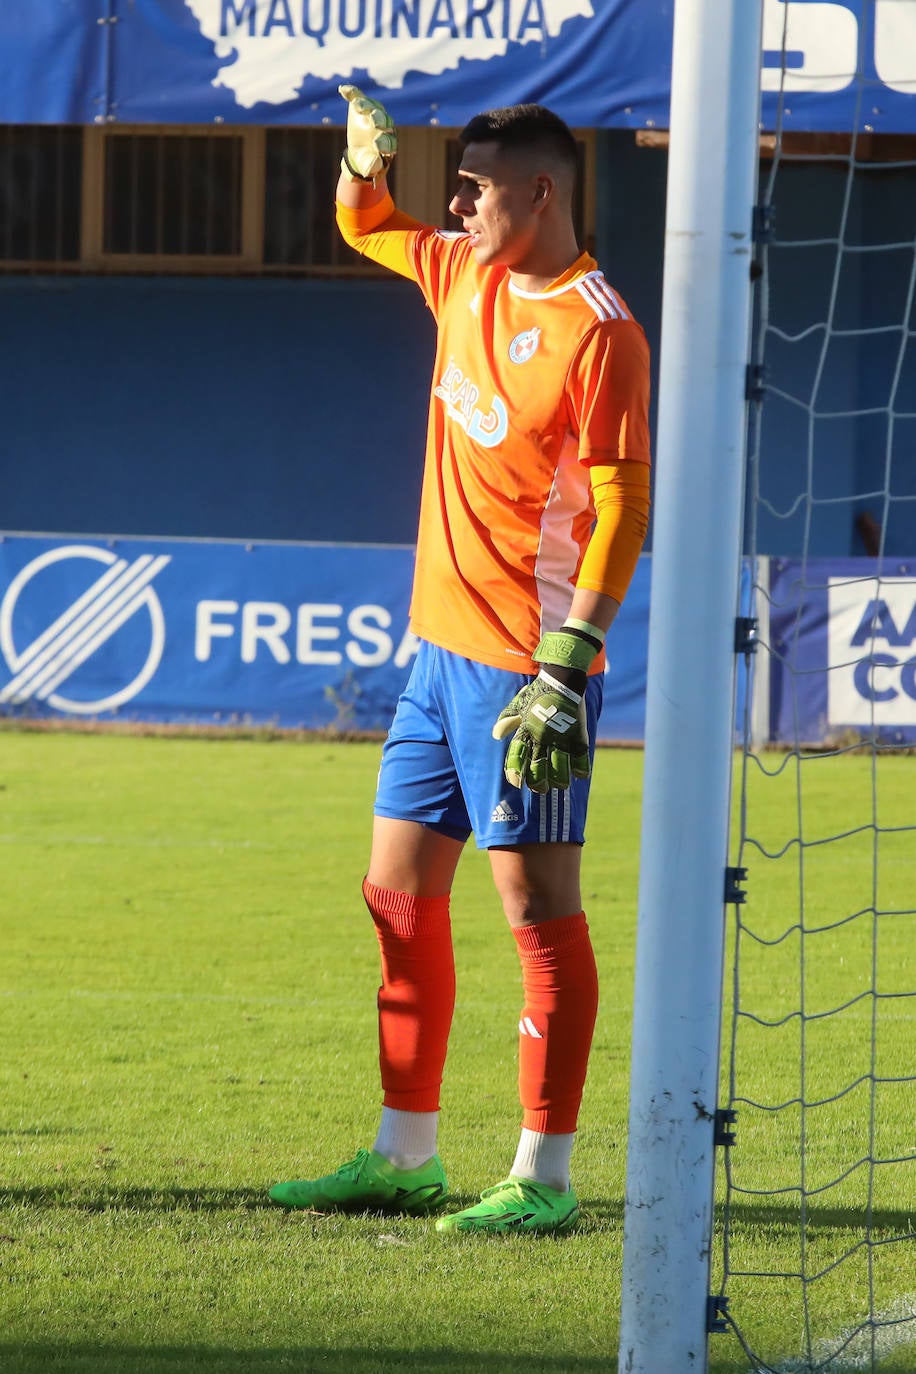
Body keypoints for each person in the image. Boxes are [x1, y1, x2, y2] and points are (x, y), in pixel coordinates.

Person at [269, 86, 651, 1234]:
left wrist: (565, 660)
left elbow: (623, 508)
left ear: (541, 193)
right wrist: (356, 165)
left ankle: (544, 1175)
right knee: (394, 899)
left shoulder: (602, 331)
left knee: (538, 914)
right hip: (433, 661)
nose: (457, 203)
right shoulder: (461, 274)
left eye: (476, 187)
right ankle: (406, 1154)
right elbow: (366, 222)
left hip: (522, 674)